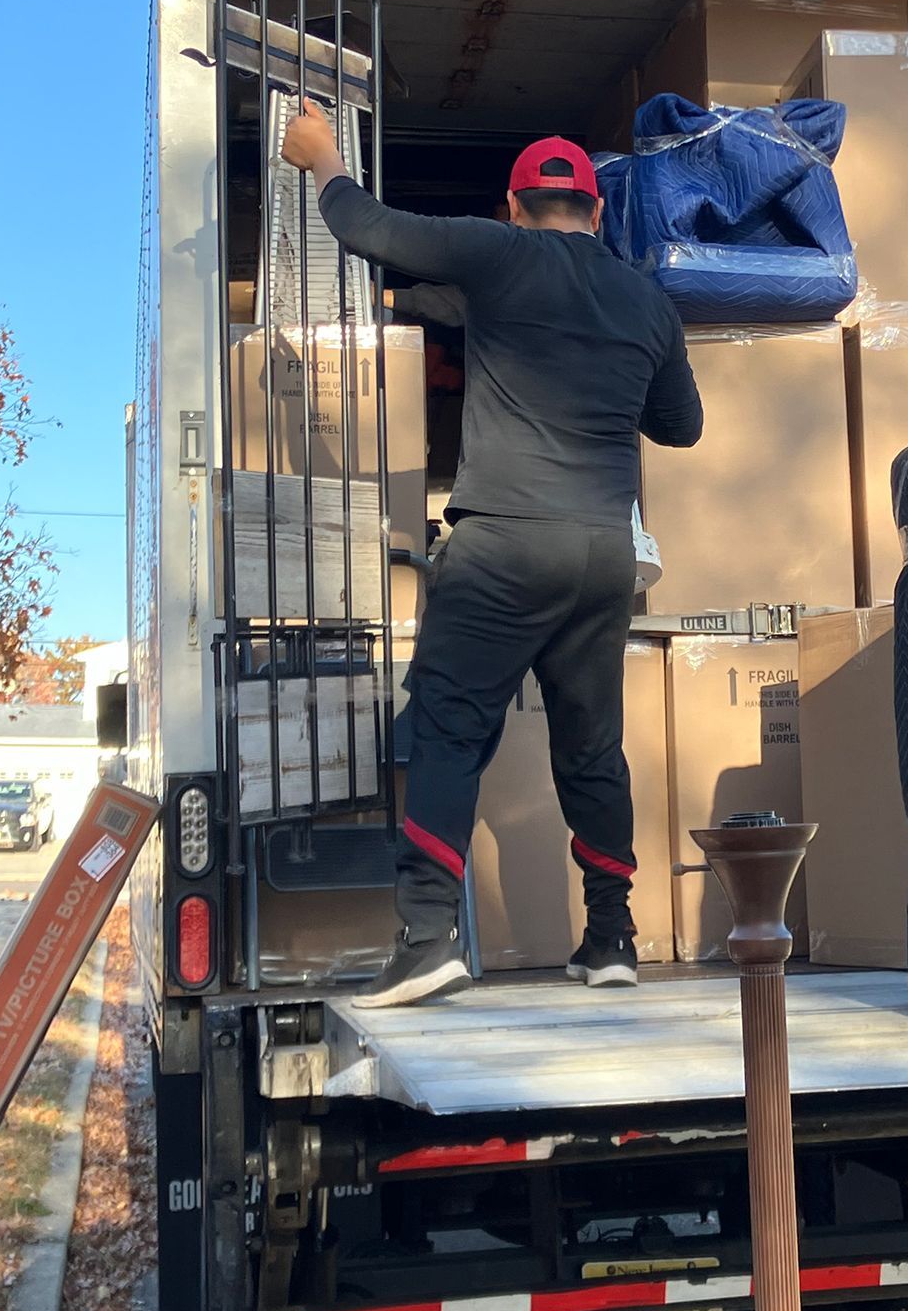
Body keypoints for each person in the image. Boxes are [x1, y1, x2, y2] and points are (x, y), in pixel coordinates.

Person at [281, 103, 703, 1006]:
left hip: (504, 545)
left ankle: (426, 937)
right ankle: (613, 938)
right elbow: (683, 426)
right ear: (596, 211)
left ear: (515, 208)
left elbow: (369, 229)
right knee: (593, 752)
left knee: (445, 725)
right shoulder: (648, 301)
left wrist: (322, 160)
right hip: (602, 555)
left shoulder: (497, 254)